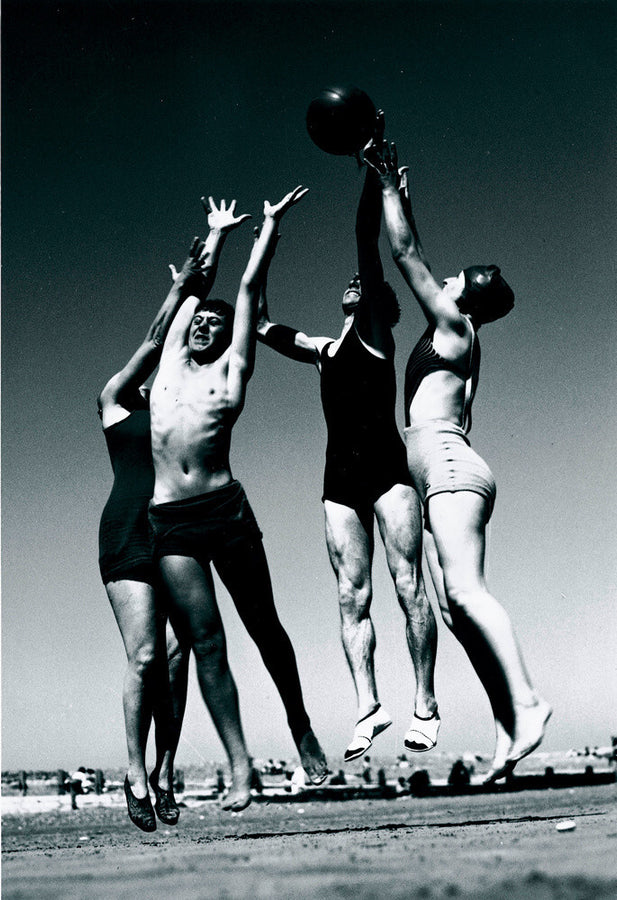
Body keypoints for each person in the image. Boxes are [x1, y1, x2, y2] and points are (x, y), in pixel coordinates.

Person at [365, 138, 551, 781]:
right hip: (442, 472)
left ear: (465, 295)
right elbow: (417, 250)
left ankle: (528, 702)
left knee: (467, 594)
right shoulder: (458, 334)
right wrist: (403, 199)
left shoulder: (453, 326)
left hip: (448, 467)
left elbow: (407, 255)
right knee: (452, 608)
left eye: (453, 280)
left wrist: (387, 190)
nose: (441, 280)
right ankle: (507, 726)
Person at [257, 119, 439, 762]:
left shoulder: (374, 337)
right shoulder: (322, 350)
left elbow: (367, 239)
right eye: (355, 284)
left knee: (407, 584)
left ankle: (425, 703)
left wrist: (370, 173)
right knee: (350, 596)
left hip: (388, 472)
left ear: (379, 308)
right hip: (338, 481)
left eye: (365, 287)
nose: (355, 283)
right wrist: (268, 238)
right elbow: (260, 323)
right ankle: (368, 708)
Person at [148, 185, 328, 813]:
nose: (203, 325)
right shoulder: (168, 362)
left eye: (215, 325)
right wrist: (217, 235)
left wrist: (268, 229)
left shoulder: (232, 373)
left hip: (225, 511)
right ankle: (240, 765)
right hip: (171, 518)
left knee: (263, 625)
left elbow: (248, 293)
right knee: (206, 641)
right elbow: (192, 291)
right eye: (198, 321)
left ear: (229, 340)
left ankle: (300, 725)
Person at [98, 198, 249, 829]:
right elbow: (159, 337)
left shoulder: (173, 400)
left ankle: (164, 770)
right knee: (144, 655)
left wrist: (209, 255)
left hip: (175, 527)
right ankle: (134, 772)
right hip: (127, 533)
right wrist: (195, 268)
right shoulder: (115, 400)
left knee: (180, 652)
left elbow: (180, 341)